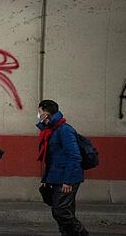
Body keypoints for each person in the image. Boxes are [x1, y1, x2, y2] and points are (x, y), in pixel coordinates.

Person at [37, 99, 88, 236]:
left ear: (46, 114)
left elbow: (74, 156)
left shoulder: (65, 130)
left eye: (40, 112)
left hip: (66, 178)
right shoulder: (50, 131)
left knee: (61, 211)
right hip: (56, 176)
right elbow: (51, 158)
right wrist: (45, 179)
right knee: (65, 211)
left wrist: (68, 181)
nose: (38, 115)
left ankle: (82, 233)